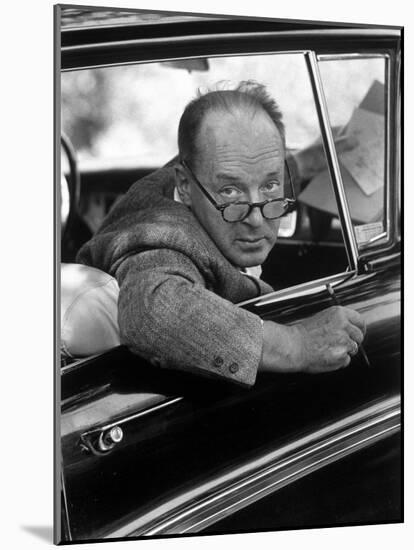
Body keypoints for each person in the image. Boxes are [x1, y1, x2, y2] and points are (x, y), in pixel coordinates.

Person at [77, 80, 366, 387]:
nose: (256, 218)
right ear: (185, 186)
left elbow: (247, 170)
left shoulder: (193, 178)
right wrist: (296, 344)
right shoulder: (160, 241)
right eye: (230, 191)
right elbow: (153, 311)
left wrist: (306, 162)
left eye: (271, 185)